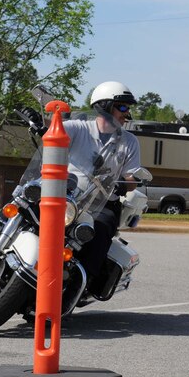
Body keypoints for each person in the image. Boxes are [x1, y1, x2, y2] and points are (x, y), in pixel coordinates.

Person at [64, 81, 141, 295]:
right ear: (105, 106)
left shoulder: (129, 142)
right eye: (123, 107)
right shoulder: (79, 128)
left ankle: (78, 285)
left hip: (101, 201)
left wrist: (126, 181)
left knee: (102, 225)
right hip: (66, 193)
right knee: (24, 200)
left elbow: (132, 176)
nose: (127, 113)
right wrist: (42, 122)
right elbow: (54, 131)